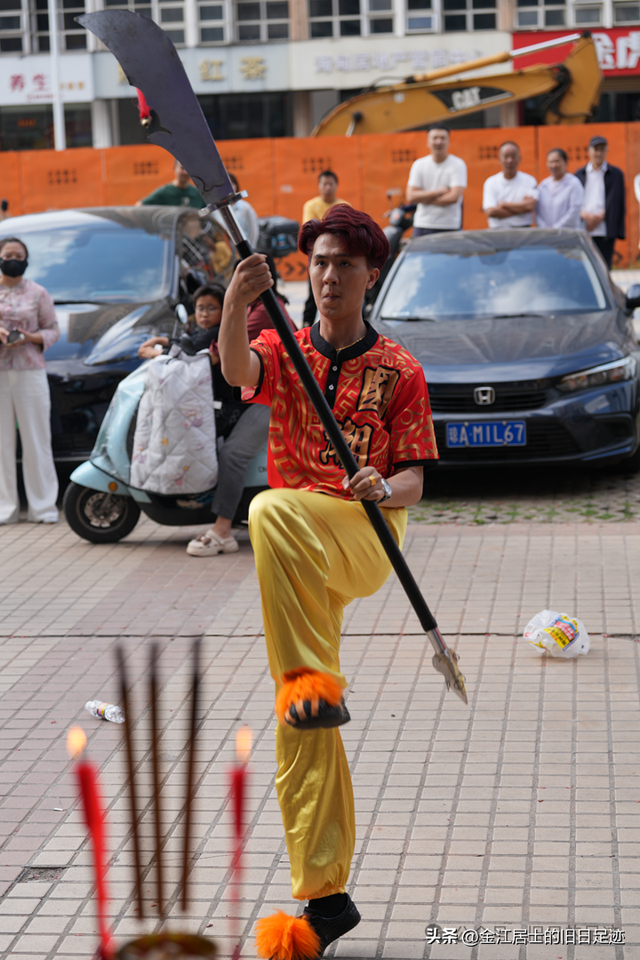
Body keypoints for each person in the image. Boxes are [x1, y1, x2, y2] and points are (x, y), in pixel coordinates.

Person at [218, 205, 438, 960]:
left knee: (269, 508)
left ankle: (311, 684)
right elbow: (238, 373)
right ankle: (325, 897)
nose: (330, 275)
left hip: (364, 536)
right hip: (297, 548)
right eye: (318, 263)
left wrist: (384, 487)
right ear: (304, 274)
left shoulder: (401, 369)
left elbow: (415, 476)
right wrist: (237, 306)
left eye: (345, 263)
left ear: (370, 273)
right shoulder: (282, 346)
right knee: (299, 718)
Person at [0, 236, 60, 524]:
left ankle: (44, 507)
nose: (13, 258)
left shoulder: (38, 293)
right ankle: (5, 509)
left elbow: (52, 330)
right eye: (8, 254)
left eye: (18, 254)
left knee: (37, 439)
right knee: (1, 443)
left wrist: (29, 337)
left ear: (26, 259)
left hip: (30, 370)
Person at [301, 170, 351, 327]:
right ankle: (306, 325)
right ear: (319, 186)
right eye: (324, 184)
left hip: (340, 257)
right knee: (313, 293)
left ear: (336, 185)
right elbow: (309, 232)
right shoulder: (310, 205)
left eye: (331, 184)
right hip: (318, 257)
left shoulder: (345, 206)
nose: (328, 187)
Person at [575, 135, 626, 269]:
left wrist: (602, 216)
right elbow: (574, 200)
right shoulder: (579, 174)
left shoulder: (616, 174)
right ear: (589, 151)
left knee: (604, 266)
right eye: (595, 149)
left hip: (605, 229)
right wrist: (585, 215)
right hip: (584, 228)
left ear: (606, 151)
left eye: (602, 149)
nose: (598, 153)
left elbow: (618, 200)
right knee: (584, 267)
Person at [405, 126, 467, 236]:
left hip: (449, 226)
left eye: (443, 138)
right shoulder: (419, 165)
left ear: (449, 141)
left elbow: (453, 197)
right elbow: (411, 196)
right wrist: (438, 192)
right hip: (423, 224)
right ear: (428, 142)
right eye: (435, 138)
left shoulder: (458, 164)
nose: (439, 141)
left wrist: (424, 199)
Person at [482, 142, 538, 229]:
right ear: (499, 159)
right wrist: (521, 209)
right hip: (498, 231)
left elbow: (530, 206)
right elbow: (491, 211)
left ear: (520, 158)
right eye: (505, 156)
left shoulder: (529, 180)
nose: (510, 160)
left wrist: (504, 205)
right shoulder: (491, 182)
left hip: (523, 230)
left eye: (513, 156)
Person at [536, 148, 584, 230]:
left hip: (567, 235)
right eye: (550, 162)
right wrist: (544, 228)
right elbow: (537, 212)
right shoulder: (543, 186)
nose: (553, 165)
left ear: (565, 163)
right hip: (547, 236)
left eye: (557, 161)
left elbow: (575, 210)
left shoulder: (574, 183)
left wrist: (556, 229)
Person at [214, 172, 259, 248]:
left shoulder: (245, 208)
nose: (228, 188)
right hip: (225, 254)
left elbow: (253, 232)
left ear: (236, 186)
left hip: (244, 250)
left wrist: (251, 249)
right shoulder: (215, 210)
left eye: (231, 184)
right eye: (224, 185)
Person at [137, 159, 204, 209]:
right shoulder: (164, 192)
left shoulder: (197, 194)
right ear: (174, 168)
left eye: (188, 169)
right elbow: (139, 206)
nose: (185, 172)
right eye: (182, 168)